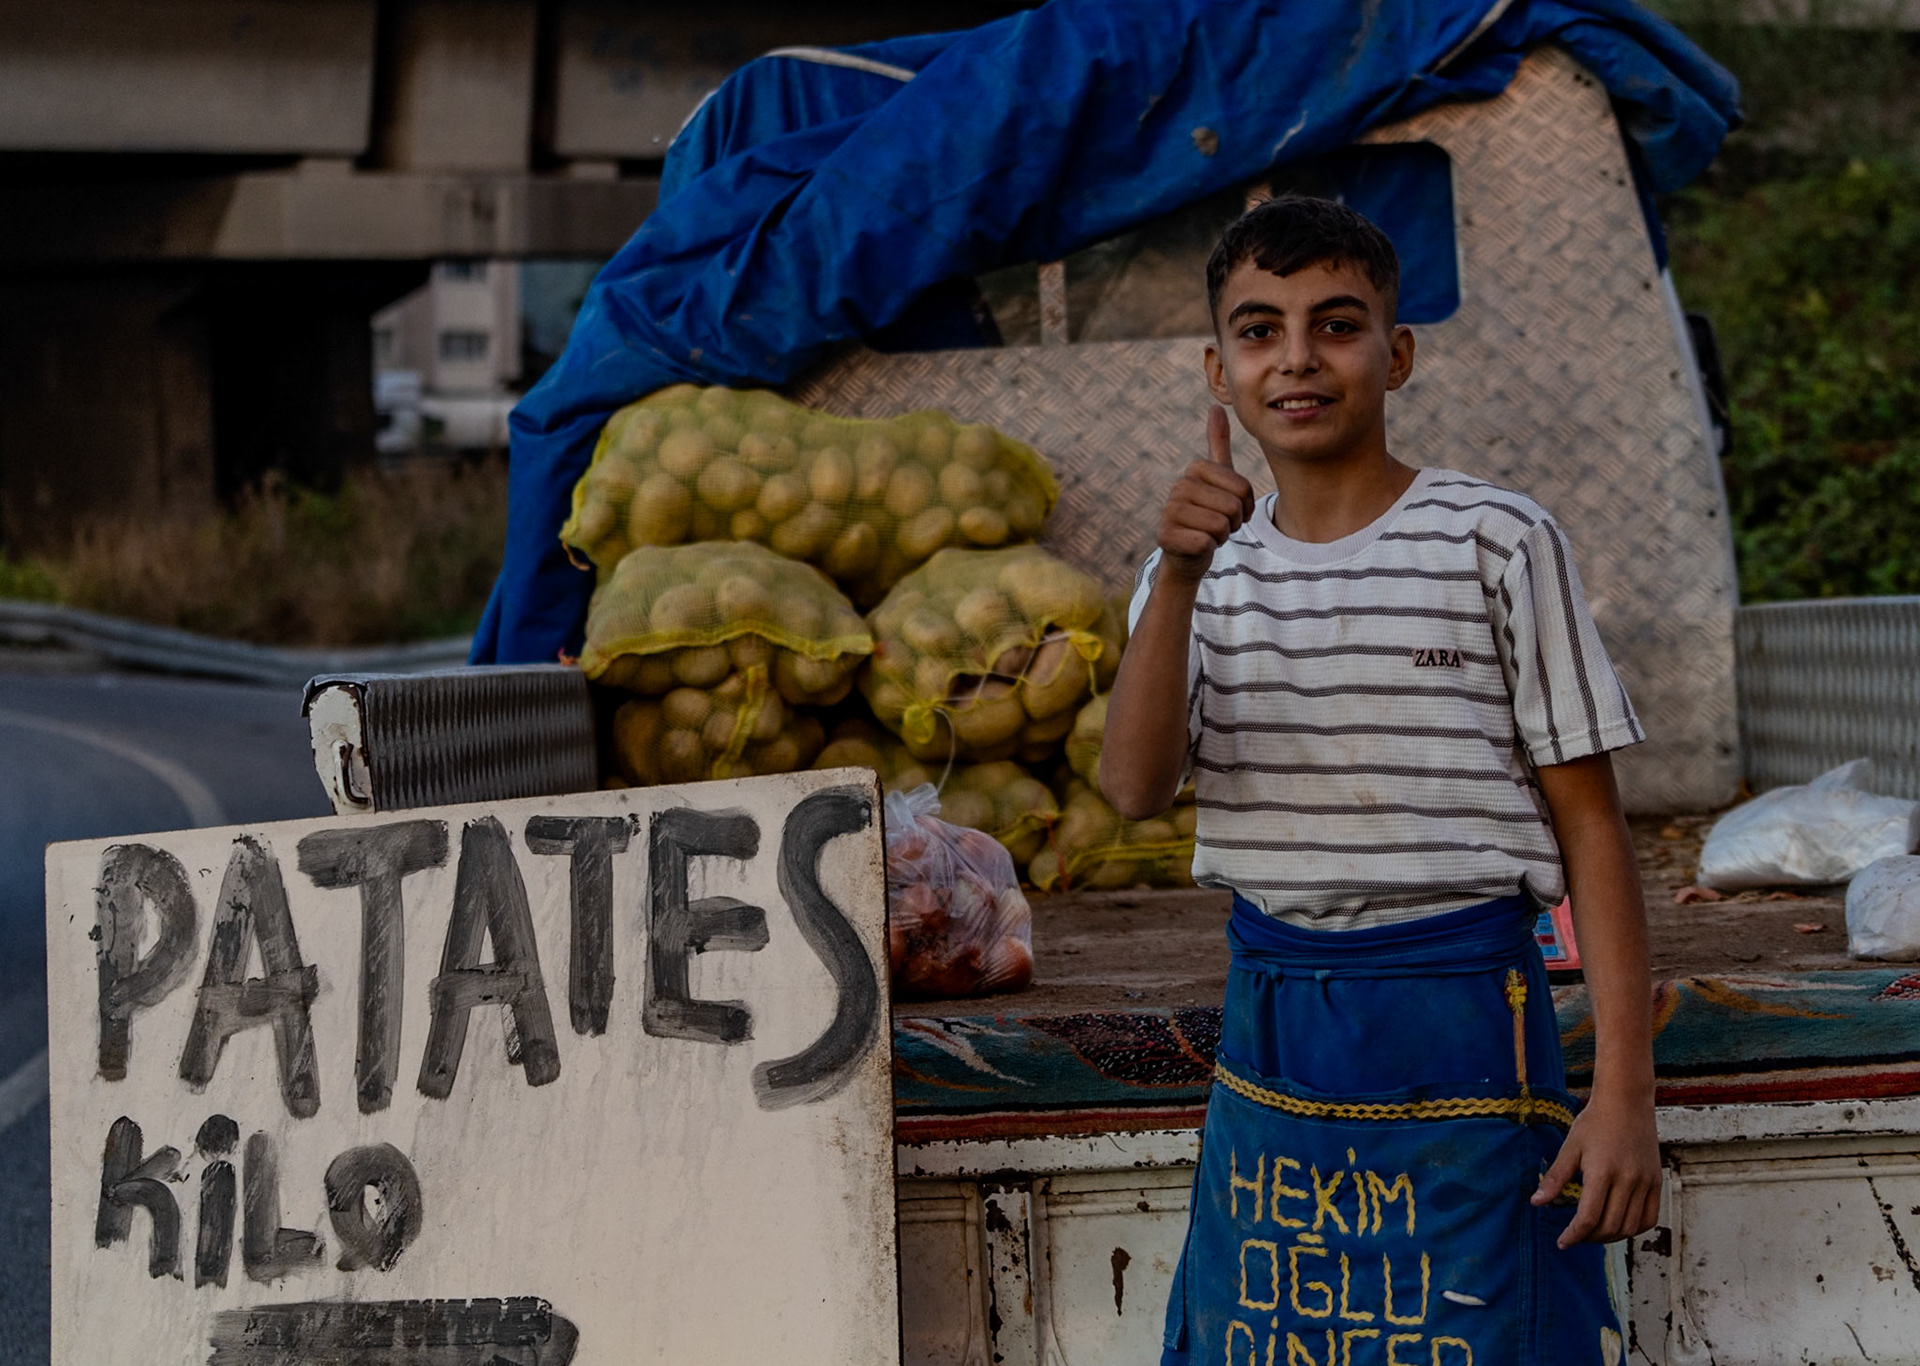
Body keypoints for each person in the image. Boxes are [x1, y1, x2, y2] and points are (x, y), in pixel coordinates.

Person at [1101, 195, 1659, 1366]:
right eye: (1260, 331)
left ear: (1395, 353)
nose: (1297, 359)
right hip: (1276, 1023)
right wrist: (1187, 580)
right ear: (1219, 368)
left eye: (1336, 325)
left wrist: (1624, 1095)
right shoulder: (1191, 571)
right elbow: (1135, 789)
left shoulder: (1498, 539)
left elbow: (1592, 827)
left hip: (1466, 1014)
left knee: (1491, 1340)